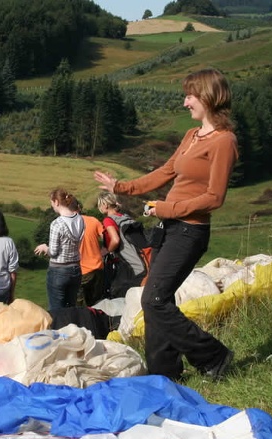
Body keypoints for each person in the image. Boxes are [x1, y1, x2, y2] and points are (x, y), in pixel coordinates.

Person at [94, 68, 238, 381]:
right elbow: (164, 172)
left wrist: (167, 207)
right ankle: (165, 374)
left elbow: (215, 197)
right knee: (159, 298)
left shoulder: (224, 142)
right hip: (167, 228)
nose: (186, 102)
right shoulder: (192, 136)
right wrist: (121, 186)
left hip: (189, 231)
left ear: (208, 96)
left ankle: (214, 356)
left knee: (153, 299)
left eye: (190, 95)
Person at [34, 188, 85, 311]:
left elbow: (53, 252)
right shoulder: (80, 219)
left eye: (51, 202)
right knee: (71, 308)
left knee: (56, 311)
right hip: (76, 268)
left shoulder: (57, 224)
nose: (52, 206)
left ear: (56, 202)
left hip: (59, 270)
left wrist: (45, 247)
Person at [97, 191, 148, 298]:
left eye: (100, 205)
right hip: (141, 262)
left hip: (128, 266)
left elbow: (115, 240)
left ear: (105, 205)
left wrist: (106, 251)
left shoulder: (108, 220)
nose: (99, 208)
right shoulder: (125, 217)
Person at [74, 199, 106, 307]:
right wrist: (104, 252)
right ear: (79, 207)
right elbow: (108, 237)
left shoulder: (66, 223)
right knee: (96, 305)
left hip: (80, 271)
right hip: (97, 268)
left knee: (77, 306)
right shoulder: (93, 220)